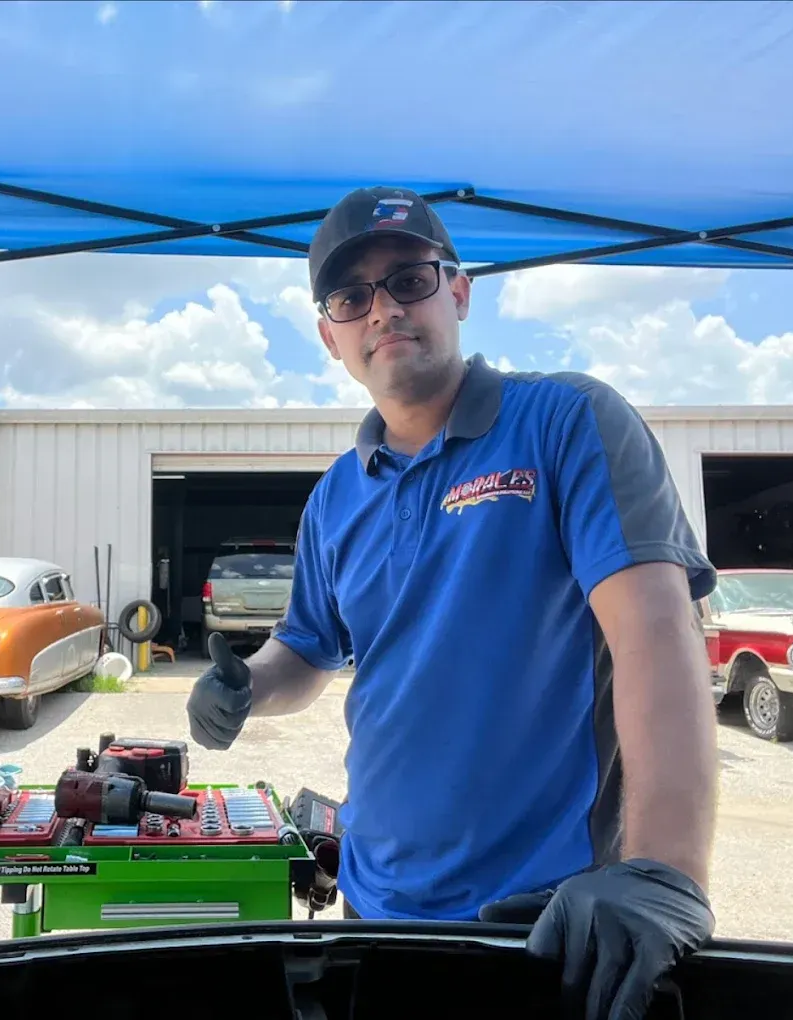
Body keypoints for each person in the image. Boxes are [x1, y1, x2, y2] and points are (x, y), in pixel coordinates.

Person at [187, 187, 720, 1020]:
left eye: (407, 279)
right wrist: (249, 685)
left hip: (542, 923)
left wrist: (662, 868)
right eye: (350, 296)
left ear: (458, 291)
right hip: (375, 906)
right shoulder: (334, 496)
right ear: (330, 336)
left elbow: (657, 632)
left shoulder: (565, 422)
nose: (382, 310)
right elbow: (309, 651)